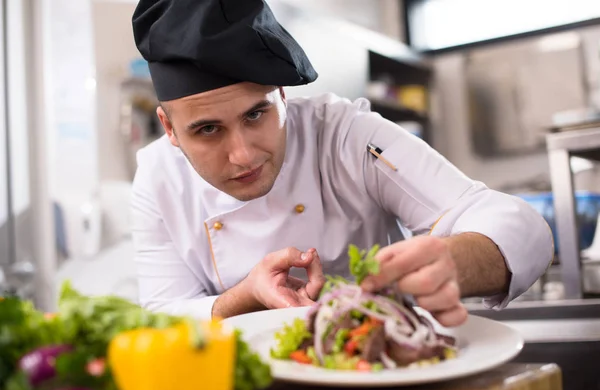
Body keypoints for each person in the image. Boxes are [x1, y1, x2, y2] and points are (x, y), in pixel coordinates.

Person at [129, 0, 554, 325]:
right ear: (168, 127)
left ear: (282, 94)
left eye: (256, 114)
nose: (243, 155)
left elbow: (519, 225)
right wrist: (246, 296)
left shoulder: (347, 136)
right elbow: (162, 318)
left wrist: (451, 261)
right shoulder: (158, 177)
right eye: (207, 130)